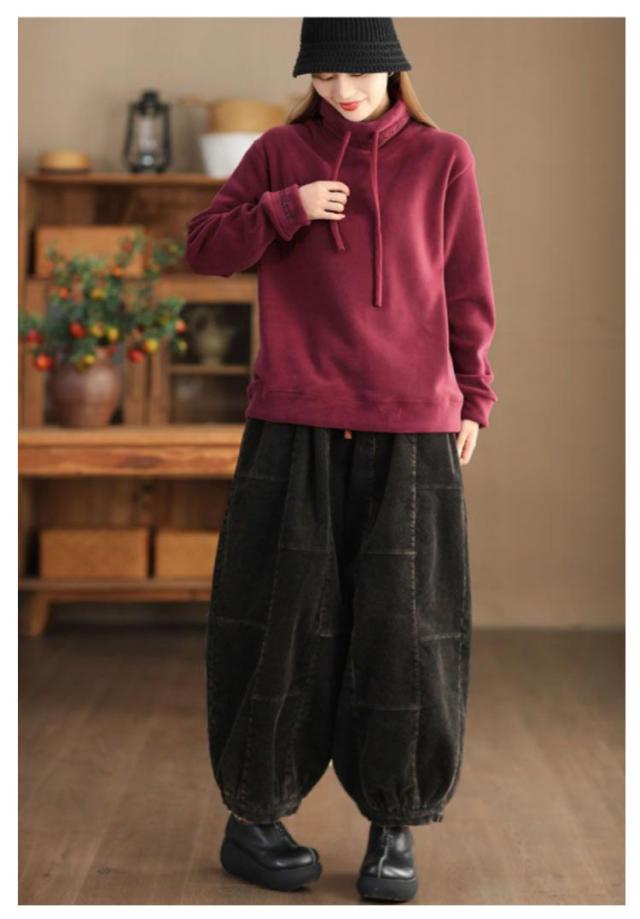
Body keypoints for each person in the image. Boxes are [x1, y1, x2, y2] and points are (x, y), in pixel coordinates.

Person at [186, 16, 498, 903]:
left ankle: (393, 825)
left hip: (413, 423)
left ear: (393, 69)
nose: (342, 91)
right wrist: (286, 209)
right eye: (323, 76)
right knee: (277, 621)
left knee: (406, 629)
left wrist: (473, 393)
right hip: (296, 415)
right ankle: (253, 818)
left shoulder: (444, 157)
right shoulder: (280, 154)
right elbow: (204, 248)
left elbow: (466, 284)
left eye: (356, 73)